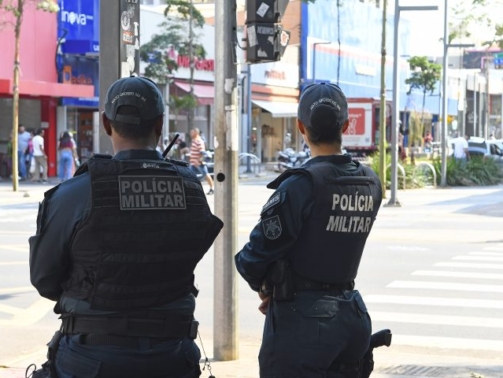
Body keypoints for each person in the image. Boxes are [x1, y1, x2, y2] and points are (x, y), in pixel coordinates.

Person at [29, 76, 223, 378]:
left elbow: (45, 280)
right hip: (172, 357)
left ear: (107, 123)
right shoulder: (191, 189)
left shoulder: (74, 194)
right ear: (159, 125)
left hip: (90, 359)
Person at [235, 82, 383, 378]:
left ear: (301, 126)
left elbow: (253, 258)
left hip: (304, 326)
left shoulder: (302, 184)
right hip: (351, 317)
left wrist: (268, 287)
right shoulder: (371, 181)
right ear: (345, 124)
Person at [189, 127, 214, 195]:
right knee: (189, 176)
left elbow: (203, 153)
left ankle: (212, 188)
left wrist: (199, 161)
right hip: (193, 163)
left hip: (198, 163)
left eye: (192, 132)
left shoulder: (199, 141)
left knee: (206, 175)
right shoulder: (194, 140)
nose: (191, 133)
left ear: (196, 133)